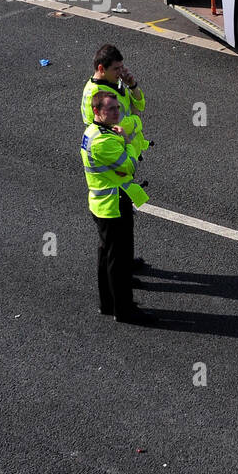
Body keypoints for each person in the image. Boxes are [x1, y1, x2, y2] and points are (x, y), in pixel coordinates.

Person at [81, 92, 153, 324]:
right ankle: (124, 309)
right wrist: (129, 143)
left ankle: (108, 303)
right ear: (96, 112)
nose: (117, 113)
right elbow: (130, 166)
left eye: (117, 108)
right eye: (110, 109)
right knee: (119, 262)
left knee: (107, 256)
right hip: (112, 206)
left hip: (102, 203)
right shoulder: (104, 141)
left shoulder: (94, 132)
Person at [81, 44, 151, 268]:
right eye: (116, 68)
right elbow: (123, 124)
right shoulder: (97, 95)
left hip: (125, 149)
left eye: (122, 67)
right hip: (116, 159)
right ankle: (122, 272)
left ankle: (126, 263)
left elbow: (140, 104)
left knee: (124, 228)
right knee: (116, 232)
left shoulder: (115, 83)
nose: (121, 72)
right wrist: (137, 122)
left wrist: (133, 85)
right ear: (101, 68)